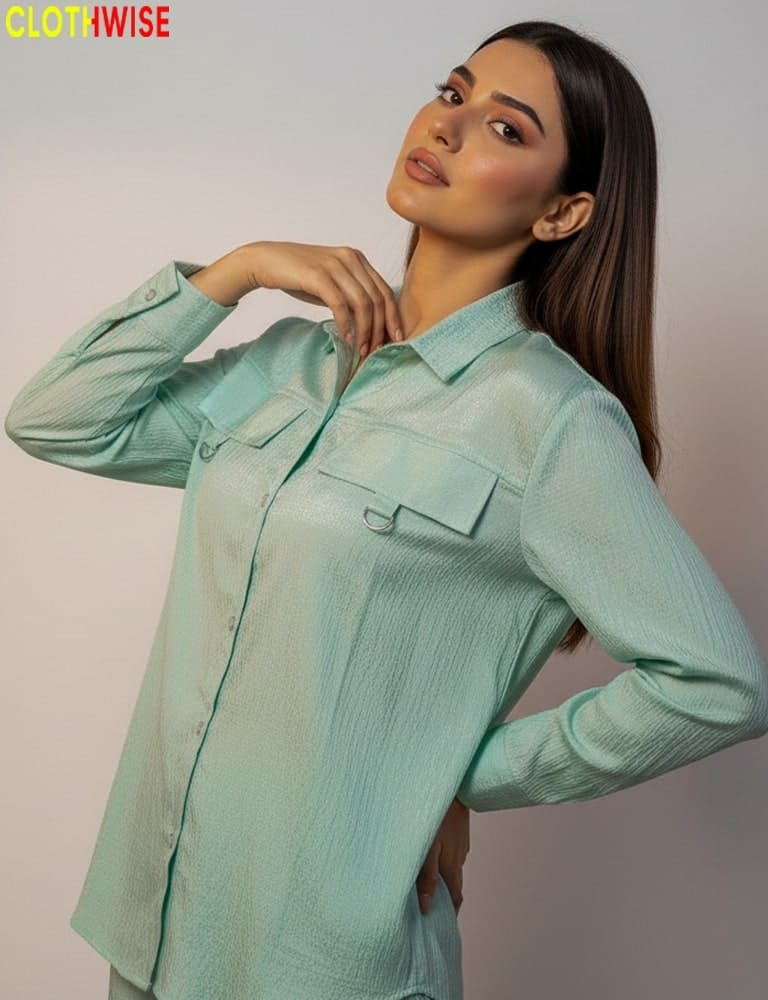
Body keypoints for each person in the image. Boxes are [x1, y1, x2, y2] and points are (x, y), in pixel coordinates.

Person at [6, 19, 768, 1000]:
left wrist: (457, 775)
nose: (448, 128)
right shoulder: (291, 361)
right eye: (453, 93)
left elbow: (718, 683)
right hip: (154, 927)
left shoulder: (549, 422)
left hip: (322, 963)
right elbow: (57, 420)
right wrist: (229, 274)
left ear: (564, 213)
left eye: (505, 128)